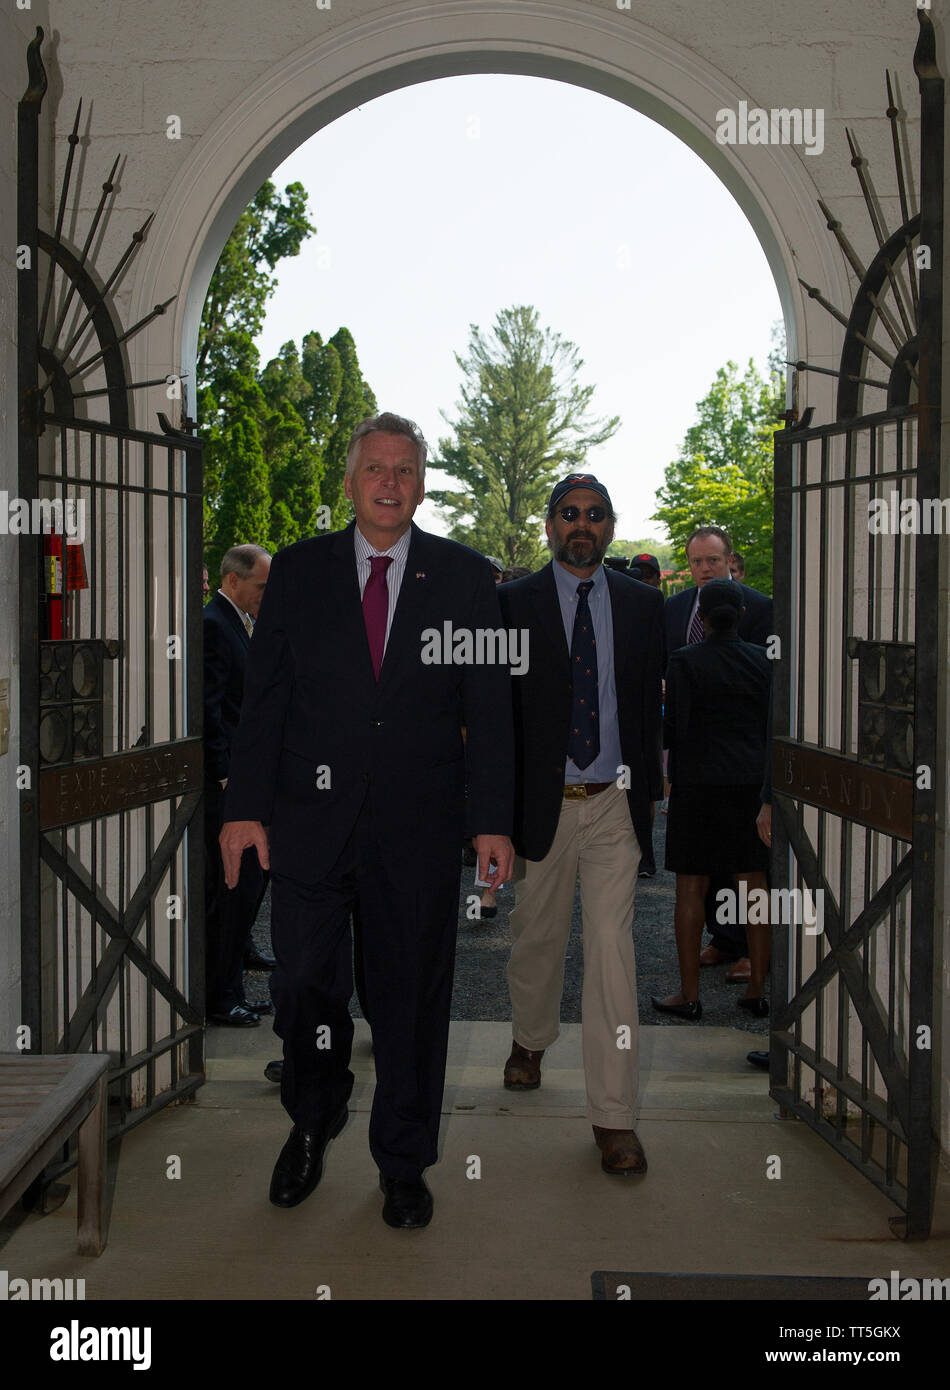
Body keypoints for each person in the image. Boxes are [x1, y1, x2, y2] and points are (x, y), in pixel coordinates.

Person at [219, 412, 514, 1229]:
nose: (391, 483)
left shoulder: (463, 576)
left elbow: (488, 710)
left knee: (410, 999)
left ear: (422, 484)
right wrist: (243, 809)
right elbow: (265, 703)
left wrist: (492, 820)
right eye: (376, 469)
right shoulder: (303, 572)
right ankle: (313, 1119)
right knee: (305, 986)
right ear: (349, 482)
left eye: (407, 470)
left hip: (418, 831)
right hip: (308, 824)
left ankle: (404, 1162)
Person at [498, 473, 663, 1176]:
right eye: (570, 514)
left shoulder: (644, 606)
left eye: (595, 515)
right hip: (541, 806)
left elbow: (652, 702)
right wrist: (490, 817)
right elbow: (495, 716)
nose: (582, 525)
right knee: (537, 938)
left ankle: (613, 1118)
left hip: (613, 806)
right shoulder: (511, 605)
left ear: (610, 527)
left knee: (611, 954)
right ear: (549, 525)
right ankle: (530, 1039)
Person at [652, 580, 771, 1020]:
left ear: (700, 617)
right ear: (741, 614)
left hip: (697, 787)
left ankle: (689, 994)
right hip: (748, 787)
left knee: (691, 887)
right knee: (753, 885)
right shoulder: (764, 661)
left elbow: (673, 730)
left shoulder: (684, 662)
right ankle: (757, 988)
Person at [203, 544, 274, 1027]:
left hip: (245, 782)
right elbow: (208, 711)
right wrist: (227, 774)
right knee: (233, 889)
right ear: (234, 581)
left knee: (248, 886)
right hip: (228, 790)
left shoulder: (237, 623)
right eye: (261, 586)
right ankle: (221, 994)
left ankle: (240, 958)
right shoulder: (214, 626)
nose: (265, 596)